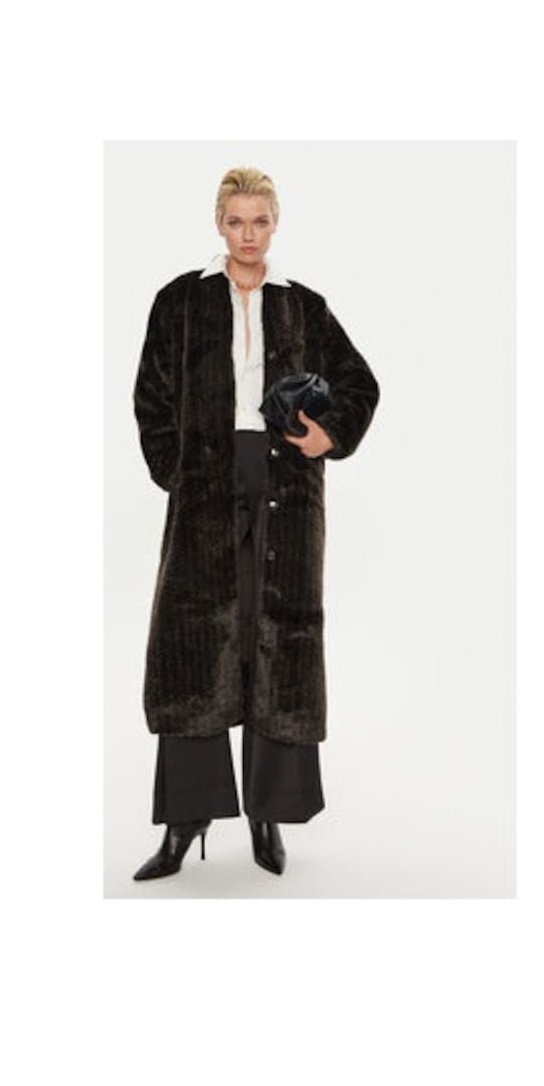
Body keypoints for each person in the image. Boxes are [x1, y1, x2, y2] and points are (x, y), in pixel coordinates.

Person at [132, 166, 380, 881]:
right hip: (205, 485)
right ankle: (185, 821)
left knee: (278, 635)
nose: (248, 235)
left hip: (286, 484)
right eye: (237, 222)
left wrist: (328, 434)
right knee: (195, 641)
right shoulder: (180, 300)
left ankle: (269, 814)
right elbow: (151, 396)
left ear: (275, 224)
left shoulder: (303, 306)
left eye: (260, 222)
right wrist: (178, 472)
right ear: (220, 223)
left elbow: (360, 383)